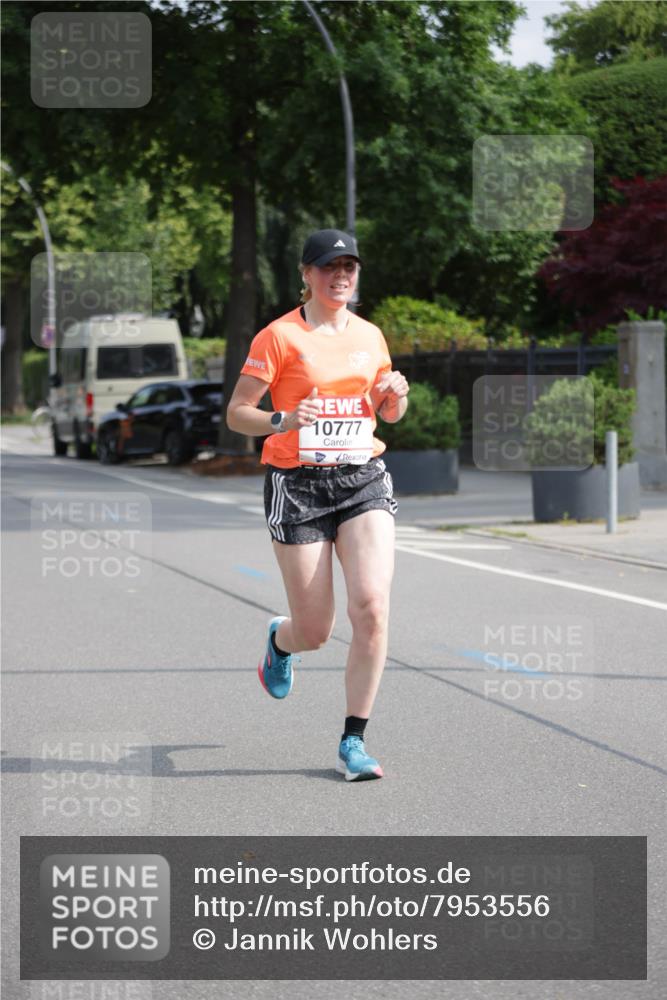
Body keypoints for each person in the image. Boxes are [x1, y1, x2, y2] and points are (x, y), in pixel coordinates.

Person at [226, 229, 409, 781]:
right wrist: (282, 419)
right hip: (297, 485)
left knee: (372, 608)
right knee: (315, 631)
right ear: (307, 274)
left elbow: (386, 412)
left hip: (361, 478)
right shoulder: (278, 336)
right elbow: (238, 413)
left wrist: (395, 398)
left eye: (349, 267)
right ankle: (281, 641)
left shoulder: (370, 335)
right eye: (329, 267)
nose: (341, 276)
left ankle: (354, 741)